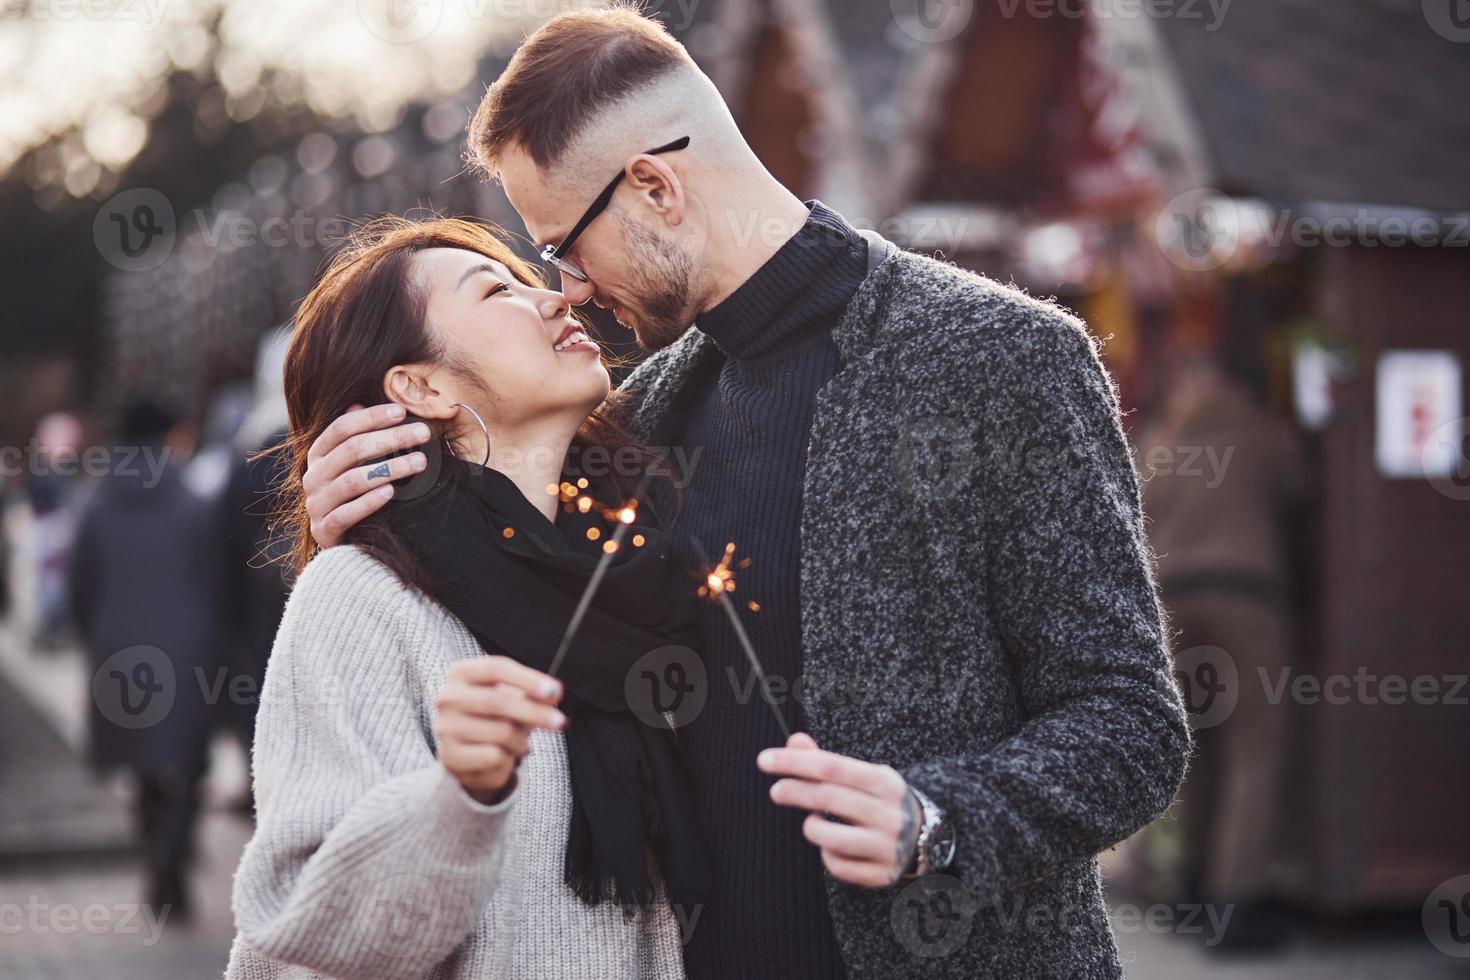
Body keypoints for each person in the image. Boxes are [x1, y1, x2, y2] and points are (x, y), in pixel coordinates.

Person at [299, 7, 1192, 978]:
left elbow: (1131, 722)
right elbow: (487, 553)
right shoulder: (636, 418)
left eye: (563, 246)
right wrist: (357, 505)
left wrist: (940, 817)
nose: (572, 292)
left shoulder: (1004, 359)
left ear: (654, 186)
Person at [226, 217, 709, 979]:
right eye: (498, 290)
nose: (554, 299)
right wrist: (459, 797)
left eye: (531, 277)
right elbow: (309, 928)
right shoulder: (362, 596)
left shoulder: (639, 565)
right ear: (422, 386)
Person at [1138, 352, 1312, 949]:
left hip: (1170, 605)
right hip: (1245, 600)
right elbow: (1303, 490)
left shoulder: (1159, 443)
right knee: (1254, 752)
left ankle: (1182, 889)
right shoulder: (1257, 432)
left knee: (1191, 753)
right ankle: (1233, 906)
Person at [70, 399, 217, 920]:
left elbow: (79, 586)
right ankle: (172, 861)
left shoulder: (94, 504)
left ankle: (158, 861)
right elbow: (215, 581)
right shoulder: (196, 502)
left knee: (143, 768)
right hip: (188, 653)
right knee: (189, 765)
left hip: (119, 653)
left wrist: (96, 638)